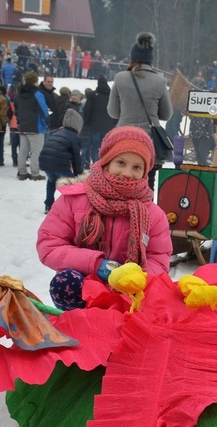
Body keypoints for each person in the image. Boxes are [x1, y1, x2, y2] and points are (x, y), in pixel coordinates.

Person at [36, 126, 173, 311]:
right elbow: (49, 245)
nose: (127, 173)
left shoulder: (153, 215)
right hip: (82, 283)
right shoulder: (74, 199)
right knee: (64, 283)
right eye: (121, 163)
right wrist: (95, 264)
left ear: (145, 171)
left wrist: (133, 277)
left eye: (137, 167)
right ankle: (77, 326)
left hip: (126, 292)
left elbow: (159, 259)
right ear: (107, 162)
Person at [107, 32, 173, 191]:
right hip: (149, 143)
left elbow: (113, 112)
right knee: (147, 188)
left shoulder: (120, 78)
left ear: (132, 57)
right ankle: (146, 214)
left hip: (123, 139)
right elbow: (166, 114)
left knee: (120, 184)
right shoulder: (159, 80)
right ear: (150, 58)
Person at [39, 108, 85, 214]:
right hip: (58, 164)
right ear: (78, 125)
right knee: (72, 185)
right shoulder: (75, 137)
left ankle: (48, 204)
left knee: (51, 181)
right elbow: (76, 158)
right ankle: (73, 207)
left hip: (45, 161)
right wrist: (79, 175)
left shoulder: (57, 132)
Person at [15, 70, 50, 181]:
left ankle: (22, 172)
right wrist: (48, 121)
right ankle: (35, 173)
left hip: (23, 125)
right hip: (36, 126)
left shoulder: (19, 94)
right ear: (35, 81)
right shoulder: (37, 94)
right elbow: (43, 109)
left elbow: (16, 109)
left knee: (23, 150)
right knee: (36, 151)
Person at [83, 75, 116, 165]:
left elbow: (87, 110)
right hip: (108, 126)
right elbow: (116, 110)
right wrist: (114, 124)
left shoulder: (92, 95)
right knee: (106, 147)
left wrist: (86, 123)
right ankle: (105, 164)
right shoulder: (111, 96)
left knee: (95, 147)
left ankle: (96, 165)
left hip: (95, 126)